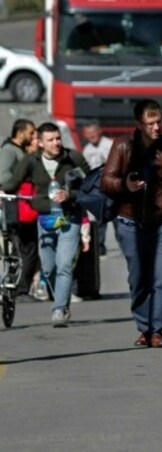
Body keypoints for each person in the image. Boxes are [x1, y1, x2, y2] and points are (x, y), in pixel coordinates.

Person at [101, 99, 162, 347]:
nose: (156, 127)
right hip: (130, 223)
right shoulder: (123, 146)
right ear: (139, 124)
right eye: (150, 123)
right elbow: (107, 180)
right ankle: (143, 328)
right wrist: (125, 185)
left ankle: (157, 331)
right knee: (139, 277)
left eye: (159, 122)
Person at [1, 122, 90, 327]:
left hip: (70, 217)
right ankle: (61, 298)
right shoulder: (30, 161)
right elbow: (11, 183)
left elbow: (92, 184)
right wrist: (3, 190)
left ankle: (59, 310)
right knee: (49, 269)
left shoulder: (73, 157)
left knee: (65, 264)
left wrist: (70, 194)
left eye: (58, 138)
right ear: (40, 143)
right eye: (51, 140)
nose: (56, 143)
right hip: (46, 219)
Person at [0, 119, 40, 303]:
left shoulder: (20, 151)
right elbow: (3, 175)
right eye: (31, 133)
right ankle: (20, 290)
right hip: (15, 205)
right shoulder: (9, 151)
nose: (33, 137)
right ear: (21, 132)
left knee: (28, 247)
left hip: (24, 203)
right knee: (23, 247)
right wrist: (23, 178)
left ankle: (22, 288)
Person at [80, 121, 114, 256]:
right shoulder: (87, 150)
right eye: (88, 133)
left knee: (117, 218)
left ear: (99, 131)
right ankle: (100, 247)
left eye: (93, 132)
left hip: (112, 188)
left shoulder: (109, 144)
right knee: (100, 218)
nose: (92, 135)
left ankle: (124, 245)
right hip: (98, 190)